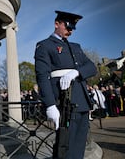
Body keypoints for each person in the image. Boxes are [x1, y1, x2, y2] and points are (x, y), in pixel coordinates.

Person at [34, 10, 97, 159]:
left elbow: (92, 67)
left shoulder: (75, 47)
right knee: (65, 147)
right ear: (57, 24)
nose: (70, 31)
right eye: (67, 27)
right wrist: (49, 105)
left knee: (79, 147)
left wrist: (76, 72)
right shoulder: (44, 46)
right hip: (65, 102)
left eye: (72, 29)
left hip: (82, 101)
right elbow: (42, 77)